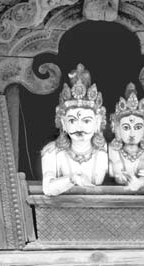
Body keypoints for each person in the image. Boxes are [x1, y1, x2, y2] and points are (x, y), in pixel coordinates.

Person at [41, 64, 108, 196]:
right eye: (72, 120)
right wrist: (73, 179)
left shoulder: (105, 151)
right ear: (63, 123)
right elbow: (48, 188)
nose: (79, 127)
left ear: (97, 122)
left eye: (86, 121)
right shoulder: (52, 152)